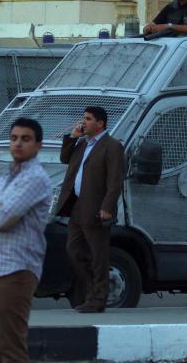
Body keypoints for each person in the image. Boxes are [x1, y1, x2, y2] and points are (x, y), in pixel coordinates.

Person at [0, 117, 52, 363]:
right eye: (13, 138)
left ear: (39, 145)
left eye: (25, 139)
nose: (17, 144)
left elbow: (3, 220)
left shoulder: (35, 178)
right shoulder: (6, 179)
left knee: (11, 347)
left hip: (16, 269)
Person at [55, 106, 125, 313]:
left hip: (95, 208)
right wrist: (72, 137)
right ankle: (93, 291)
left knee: (98, 255)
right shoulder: (82, 144)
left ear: (100, 123)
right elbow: (64, 159)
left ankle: (98, 299)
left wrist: (107, 206)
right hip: (76, 206)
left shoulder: (112, 146)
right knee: (74, 251)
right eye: (83, 118)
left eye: (87, 119)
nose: (83, 122)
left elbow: (115, 179)